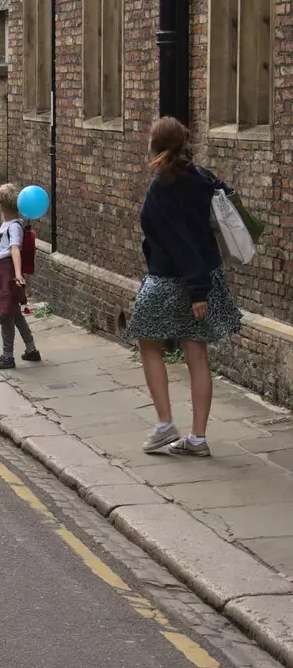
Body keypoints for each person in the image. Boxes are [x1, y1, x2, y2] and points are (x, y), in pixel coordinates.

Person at [127, 117, 241, 458]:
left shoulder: (161, 186)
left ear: (153, 145)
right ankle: (197, 438)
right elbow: (226, 196)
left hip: (173, 278)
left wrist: (197, 292)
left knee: (148, 341)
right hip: (205, 272)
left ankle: (165, 426)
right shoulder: (198, 175)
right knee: (196, 352)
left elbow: (179, 243)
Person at [0, 183, 41, 371]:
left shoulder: (14, 227)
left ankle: (7, 356)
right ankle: (31, 349)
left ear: (1, 206)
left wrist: (17, 275)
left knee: (5, 315)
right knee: (15, 314)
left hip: (7, 273)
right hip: (2, 271)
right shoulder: (9, 224)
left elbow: (14, 249)